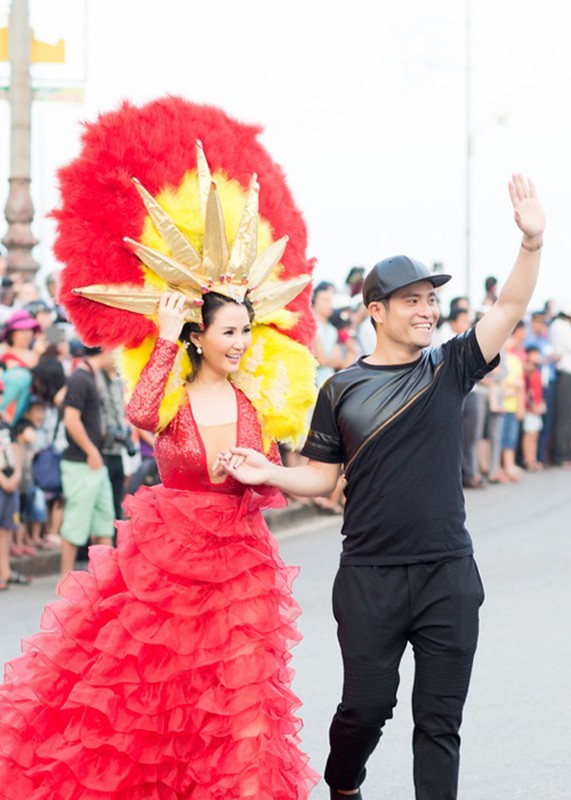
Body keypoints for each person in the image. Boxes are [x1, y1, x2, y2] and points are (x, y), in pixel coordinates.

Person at [0, 105, 319, 798]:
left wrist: (261, 474)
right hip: (167, 560)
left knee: (240, 707)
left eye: (247, 329)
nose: (240, 341)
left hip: (238, 564)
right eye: (229, 331)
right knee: (154, 699)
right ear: (202, 336)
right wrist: (167, 339)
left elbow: (265, 479)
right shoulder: (171, 383)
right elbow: (144, 416)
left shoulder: (250, 402)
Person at [218, 174, 545, 799]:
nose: (428, 311)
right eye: (412, 301)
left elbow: (507, 308)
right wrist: (270, 472)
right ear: (377, 311)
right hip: (369, 577)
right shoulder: (341, 389)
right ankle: (344, 783)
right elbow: (322, 477)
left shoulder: (449, 367)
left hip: (448, 573)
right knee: (365, 710)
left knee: (439, 725)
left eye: (431, 300)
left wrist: (531, 244)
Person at [58, 344, 115, 580]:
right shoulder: (81, 378)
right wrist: (91, 451)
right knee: (76, 523)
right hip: (81, 462)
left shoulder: (90, 376)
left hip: (93, 462)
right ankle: (64, 579)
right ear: (105, 350)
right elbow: (71, 420)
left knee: (104, 522)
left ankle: (107, 579)